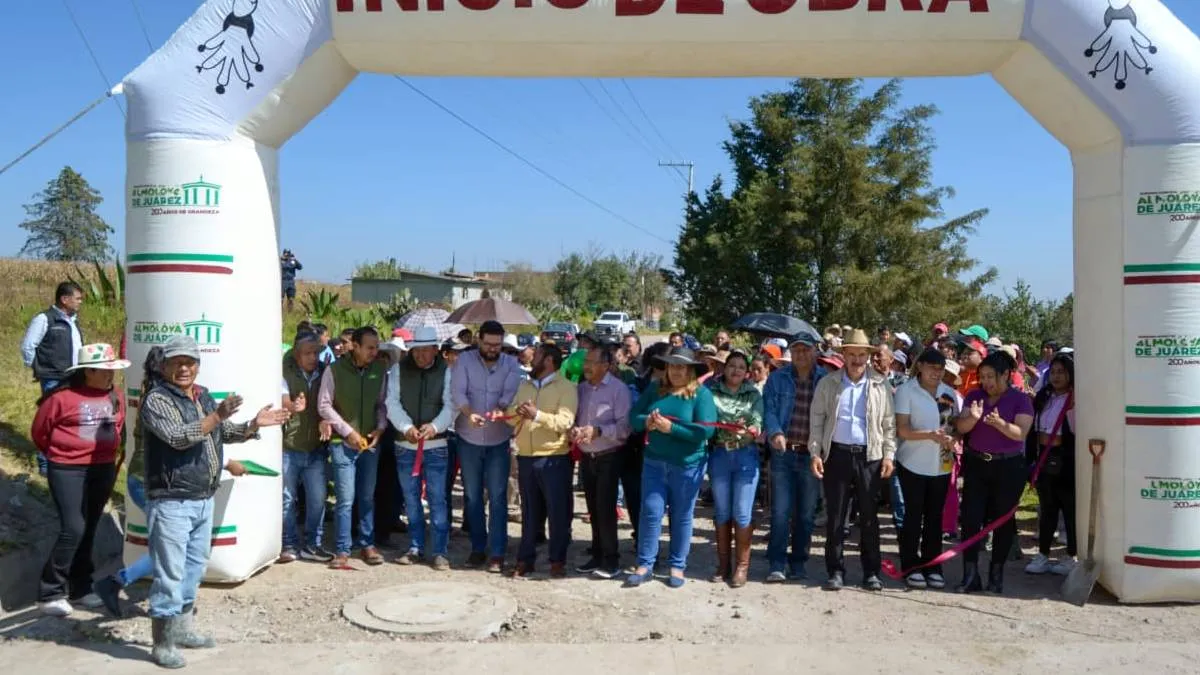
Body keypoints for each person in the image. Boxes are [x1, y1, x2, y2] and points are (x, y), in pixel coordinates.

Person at [140, 335, 288, 668]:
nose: (184, 368)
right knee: (169, 573)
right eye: (177, 361)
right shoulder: (157, 400)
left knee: (193, 569)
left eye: (190, 362)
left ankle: (182, 630)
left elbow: (219, 433)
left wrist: (252, 426)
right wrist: (218, 416)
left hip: (202, 497)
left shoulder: (201, 395)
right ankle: (162, 643)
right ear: (164, 366)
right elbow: (181, 437)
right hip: (171, 500)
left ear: (198, 365)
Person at [32, 343, 130, 617]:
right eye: (103, 370)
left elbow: (119, 427)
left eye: (112, 370)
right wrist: (64, 454)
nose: (110, 375)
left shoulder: (116, 396)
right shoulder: (61, 399)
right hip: (67, 469)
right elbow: (40, 432)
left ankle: (81, 587)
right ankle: (49, 591)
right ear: (87, 372)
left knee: (89, 528)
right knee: (73, 527)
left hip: (102, 468)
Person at [809, 329, 897, 592]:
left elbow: (889, 424)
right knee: (836, 517)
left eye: (862, 355)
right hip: (836, 454)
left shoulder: (881, 385)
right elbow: (817, 421)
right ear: (843, 355)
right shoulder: (828, 384)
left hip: (869, 456)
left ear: (869, 357)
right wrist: (815, 452)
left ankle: (871, 572)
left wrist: (889, 454)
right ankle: (835, 571)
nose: (857, 359)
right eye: (852, 354)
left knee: (870, 518)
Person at [627, 347, 717, 589]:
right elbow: (633, 418)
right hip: (654, 462)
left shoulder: (701, 395)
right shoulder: (655, 389)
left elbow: (706, 431)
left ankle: (677, 566)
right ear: (665, 368)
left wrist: (671, 429)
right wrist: (647, 421)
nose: (676, 370)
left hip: (687, 466)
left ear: (690, 370)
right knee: (650, 512)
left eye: (681, 366)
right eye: (672, 365)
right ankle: (645, 564)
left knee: (681, 515)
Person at [954, 351, 1035, 594]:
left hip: (1008, 467)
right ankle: (970, 574)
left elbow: (1020, 433)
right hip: (977, 464)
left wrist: (1000, 424)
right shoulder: (975, 396)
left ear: (1006, 375)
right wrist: (973, 418)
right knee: (970, 519)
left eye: (991, 376)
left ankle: (996, 575)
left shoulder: (1021, 400)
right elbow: (961, 426)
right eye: (983, 376)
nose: (986, 382)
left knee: (1002, 521)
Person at [94, 348, 166, 618]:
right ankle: (115, 582)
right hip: (149, 483)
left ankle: (167, 598)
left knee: (170, 546)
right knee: (168, 548)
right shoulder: (158, 401)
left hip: (146, 481)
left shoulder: (156, 393)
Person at [451, 320, 522, 572]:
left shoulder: (511, 365)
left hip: (498, 438)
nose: (493, 349)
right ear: (478, 340)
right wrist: (469, 413)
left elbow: (510, 394)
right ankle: (478, 548)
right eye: (489, 344)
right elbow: (458, 393)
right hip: (468, 437)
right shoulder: (464, 361)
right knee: (471, 497)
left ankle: (498, 552)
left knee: (498, 497)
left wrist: (499, 410)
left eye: (497, 345)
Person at [386, 326, 456, 570]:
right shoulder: (397, 370)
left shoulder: (447, 372)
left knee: (437, 499)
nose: (420, 355)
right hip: (405, 444)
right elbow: (391, 402)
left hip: (436, 445)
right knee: (411, 499)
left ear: (436, 350)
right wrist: (406, 427)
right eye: (417, 350)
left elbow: (451, 405)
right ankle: (415, 546)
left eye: (426, 350)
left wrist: (434, 427)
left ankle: (439, 551)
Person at [507, 343, 578, 578]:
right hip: (526, 456)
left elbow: (565, 422)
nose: (530, 358)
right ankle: (525, 559)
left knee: (558, 513)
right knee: (529, 513)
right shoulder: (525, 385)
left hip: (554, 458)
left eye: (535, 355)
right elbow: (510, 416)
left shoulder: (566, 387)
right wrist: (516, 413)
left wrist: (537, 415)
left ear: (548, 361)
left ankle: (557, 560)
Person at [762, 334, 826, 583]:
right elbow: (768, 409)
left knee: (806, 514)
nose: (800, 354)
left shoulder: (826, 380)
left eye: (805, 350)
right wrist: (776, 432)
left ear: (814, 353)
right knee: (780, 512)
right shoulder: (777, 378)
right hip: (783, 453)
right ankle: (777, 563)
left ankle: (798, 562)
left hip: (811, 455)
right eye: (796, 350)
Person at [894, 349, 959, 590]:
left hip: (941, 465)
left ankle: (933, 565)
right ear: (920, 366)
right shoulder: (906, 391)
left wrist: (955, 436)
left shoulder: (948, 392)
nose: (936, 372)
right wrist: (929, 435)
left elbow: (954, 425)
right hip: (912, 463)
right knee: (913, 516)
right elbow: (903, 430)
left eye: (940, 368)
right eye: (932, 367)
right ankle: (911, 566)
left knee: (935, 519)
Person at [574, 346, 632, 578]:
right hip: (587, 457)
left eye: (592, 362)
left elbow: (624, 428)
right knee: (592, 508)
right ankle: (597, 553)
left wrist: (598, 431)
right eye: (585, 361)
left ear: (606, 365)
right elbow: (576, 420)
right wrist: (575, 431)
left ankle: (611, 560)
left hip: (609, 456)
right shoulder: (582, 389)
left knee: (606, 509)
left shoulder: (619, 390)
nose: (586, 366)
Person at [708, 350, 763, 587]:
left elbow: (758, 422)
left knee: (742, 512)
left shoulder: (753, 394)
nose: (736, 370)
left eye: (741, 366)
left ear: (747, 372)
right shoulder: (710, 391)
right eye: (732, 365)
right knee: (722, 512)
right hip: (720, 453)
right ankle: (723, 565)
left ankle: (742, 567)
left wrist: (751, 429)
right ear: (724, 367)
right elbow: (706, 420)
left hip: (746, 455)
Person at [278, 333, 332, 564]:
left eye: (316, 353)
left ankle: (313, 544)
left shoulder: (326, 372)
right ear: (297, 354)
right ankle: (289, 544)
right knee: (287, 499)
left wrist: (325, 419)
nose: (313, 358)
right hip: (289, 447)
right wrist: (293, 406)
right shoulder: (284, 371)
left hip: (316, 448)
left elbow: (331, 401)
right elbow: (283, 399)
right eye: (308, 353)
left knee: (318, 499)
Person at [22, 281, 85, 475]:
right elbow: (28, 347)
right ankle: (45, 464)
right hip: (53, 378)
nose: (80, 302)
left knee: (69, 420)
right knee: (50, 419)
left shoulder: (73, 321)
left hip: (74, 377)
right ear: (64, 299)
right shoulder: (44, 319)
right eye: (78, 298)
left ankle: (64, 458)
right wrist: (40, 369)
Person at [1025, 353, 1077, 576]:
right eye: (1053, 372)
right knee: (1047, 509)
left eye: (1061, 372)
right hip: (1044, 458)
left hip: (1068, 460)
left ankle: (1069, 556)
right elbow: (1032, 428)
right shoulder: (1043, 396)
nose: (1056, 376)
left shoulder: (1077, 398)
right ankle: (1043, 555)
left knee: (1070, 510)